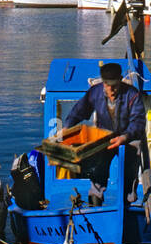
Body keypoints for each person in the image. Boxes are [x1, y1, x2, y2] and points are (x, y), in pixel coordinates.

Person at [61, 61, 146, 199]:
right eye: (107, 86)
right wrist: (67, 127)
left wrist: (124, 137)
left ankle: (129, 198)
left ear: (120, 81)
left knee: (132, 161)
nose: (111, 90)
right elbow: (79, 110)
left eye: (114, 86)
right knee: (99, 166)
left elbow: (138, 122)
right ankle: (95, 197)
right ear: (103, 83)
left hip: (128, 136)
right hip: (105, 135)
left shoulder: (133, 95)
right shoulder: (95, 93)